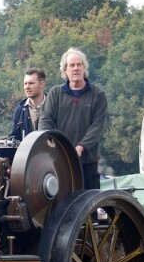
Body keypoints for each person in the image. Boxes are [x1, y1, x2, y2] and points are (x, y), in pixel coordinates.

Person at [39, 48, 108, 189]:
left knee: (88, 204)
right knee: (62, 204)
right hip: (60, 160)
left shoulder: (98, 94)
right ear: (65, 70)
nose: (76, 68)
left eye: (79, 64)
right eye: (71, 65)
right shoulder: (55, 93)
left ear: (84, 68)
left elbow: (97, 126)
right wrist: (52, 145)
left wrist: (80, 147)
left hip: (88, 161)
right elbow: (45, 121)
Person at [9, 68, 47, 140]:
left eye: (31, 83)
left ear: (42, 84)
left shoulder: (53, 107)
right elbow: (14, 138)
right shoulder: (19, 110)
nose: (27, 87)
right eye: (25, 83)